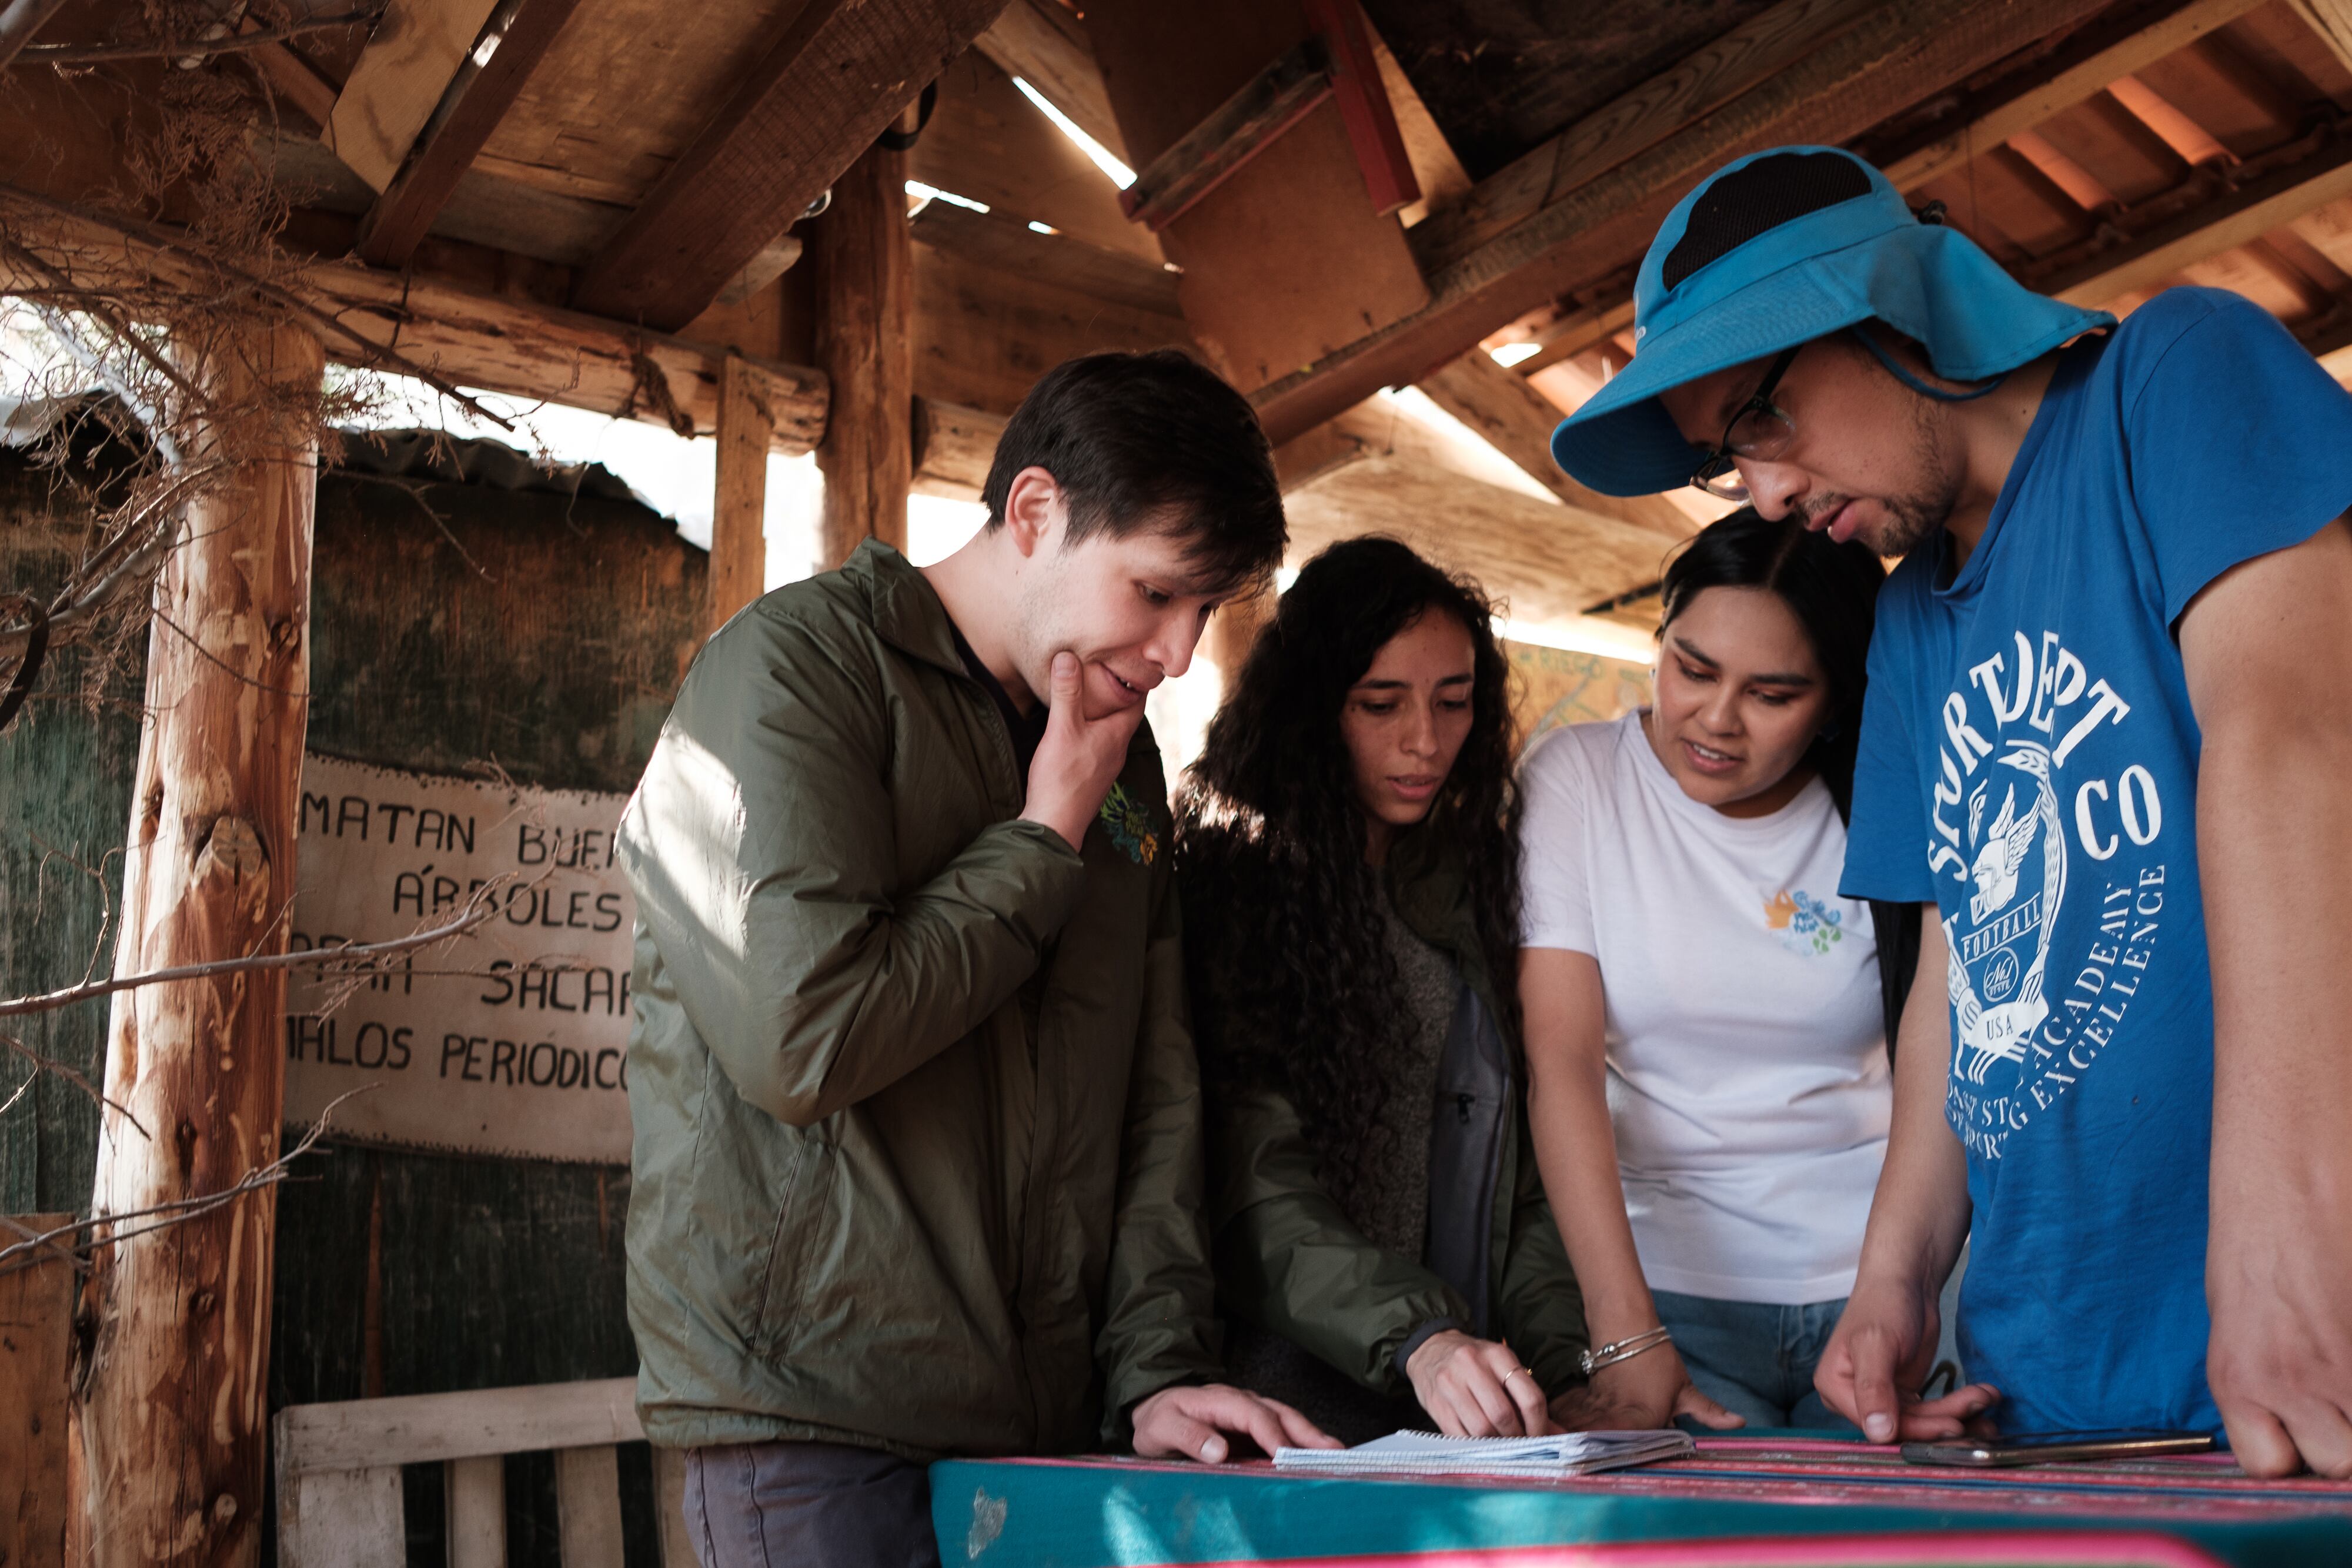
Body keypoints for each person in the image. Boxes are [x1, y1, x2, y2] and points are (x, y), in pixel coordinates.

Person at [1546, 144, 2352, 1477]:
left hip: (2294, 1316)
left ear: (1880, 309)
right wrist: (1893, 1279)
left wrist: (2284, 1221)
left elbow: (2293, 742)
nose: (1763, 494)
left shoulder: (2171, 376)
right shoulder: (1910, 611)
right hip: (2037, 1379)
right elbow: (1954, 975)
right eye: (1719, 462)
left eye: (1759, 416)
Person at [616, 349, 1338, 1568]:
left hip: (1050, 1429)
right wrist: (1043, 832)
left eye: (1203, 610)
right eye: (1156, 592)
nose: (1175, 651)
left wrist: (1157, 1369)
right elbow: (806, 1039)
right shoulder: (797, 669)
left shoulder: (1124, 757)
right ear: (1035, 512)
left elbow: (1152, 1091)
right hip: (818, 1420)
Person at [1175, 536, 1589, 1445]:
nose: (1426, 742)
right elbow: (1249, 1182)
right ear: (1311, 710)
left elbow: (1523, 1190)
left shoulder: (1477, 886)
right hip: (1281, 1392)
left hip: (1454, 1389)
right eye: (1381, 705)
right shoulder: (1236, 890)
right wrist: (1417, 1334)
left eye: (1454, 702)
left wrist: (1571, 1373)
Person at [1518, 507, 1906, 1434]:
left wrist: (1910, 1292)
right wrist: (1625, 1336)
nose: (1716, 719)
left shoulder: (1885, 794)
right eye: (1693, 669)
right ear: (1660, 636)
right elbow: (1560, 1063)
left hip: (1880, 1300)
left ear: (1835, 703)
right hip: (1666, 1298)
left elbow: (1942, 1064)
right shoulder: (1579, 779)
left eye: (1772, 695)